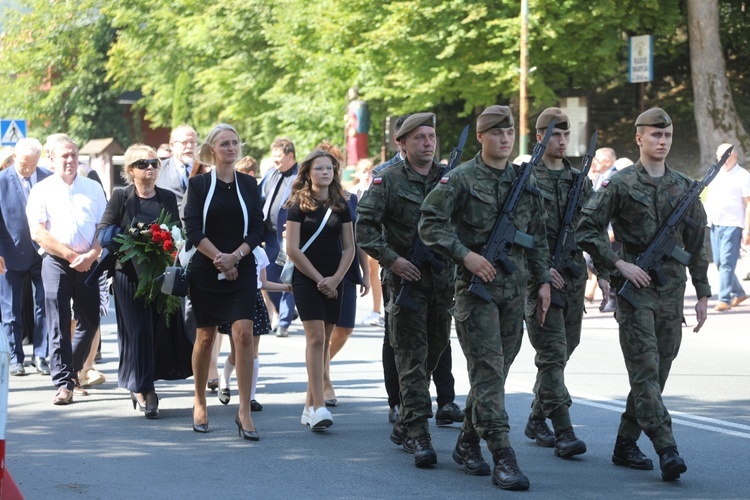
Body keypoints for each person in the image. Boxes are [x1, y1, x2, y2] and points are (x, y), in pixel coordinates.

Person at [419, 105, 552, 490]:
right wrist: (466, 254)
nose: (505, 138)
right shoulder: (460, 179)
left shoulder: (525, 181)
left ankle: (467, 441)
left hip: (515, 293)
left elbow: (538, 237)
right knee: (490, 373)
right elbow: (429, 223)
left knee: (495, 374)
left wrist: (543, 281)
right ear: (481, 137)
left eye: (509, 132)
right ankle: (504, 455)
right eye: (496, 132)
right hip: (475, 294)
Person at [577, 107, 710, 481]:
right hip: (635, 295)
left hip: (672, 296)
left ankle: (624, 443)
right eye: (654, 135)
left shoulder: (685, 186)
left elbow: (698, 241)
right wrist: (618, 265)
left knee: (657, 374)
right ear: (639, 138)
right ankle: (667, 448)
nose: (661, 142)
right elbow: (586, 229)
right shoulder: (618, 184)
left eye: (666, 136)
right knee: (645, 373)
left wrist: (702, 292)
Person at [357, 112, 454, 468]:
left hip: (442, 283)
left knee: (434, 352)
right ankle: (419, 432)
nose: (428, 144)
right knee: (411, 360)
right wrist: (392, 260)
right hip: (405, 283)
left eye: (431, 137)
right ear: (402, 143)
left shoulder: (449, 178)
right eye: (419, 138)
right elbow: (364, 228)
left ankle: (406, 419)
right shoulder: (388, 180)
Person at [520, 107, 597, 458]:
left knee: (566, 350)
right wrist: (538, 272)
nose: (562, 141)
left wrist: (605, 273)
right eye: (555, 135)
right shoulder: (523, 180)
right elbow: (517, 234)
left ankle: (537, 417)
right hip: (537, 281)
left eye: (566, 135)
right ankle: (564, 431)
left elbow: (590, 230)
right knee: (551, 355)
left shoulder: (579, 181)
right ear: (540, 137)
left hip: (573, 277)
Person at [183, 123, 264, 440]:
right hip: (206, 266)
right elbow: (193, 229)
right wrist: (220, 257)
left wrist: (237, 257)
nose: (231, 148)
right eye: (225, 144)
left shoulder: (249, 183)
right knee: (205, 337)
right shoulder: (200, 184)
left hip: (242, 266)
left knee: (243, 334)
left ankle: (243, 409)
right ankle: (200, 400)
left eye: (235, 143)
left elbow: (258, 228)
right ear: (212, 150)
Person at [96, 144, 188, 419]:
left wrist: (167, 239)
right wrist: (131, 238)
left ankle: (139, 380)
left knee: (155, 330)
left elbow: (177, 231)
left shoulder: (167, 197)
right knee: (139, 332)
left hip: (159, 274)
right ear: (131, 170)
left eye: (154, 163)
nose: (149, 168)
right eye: (143, 164)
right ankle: (147, 390)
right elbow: (103, 231)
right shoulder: (121, 197)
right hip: (128, 273)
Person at [26, 136, 106, 405]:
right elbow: (38, 232)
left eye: (74, 154)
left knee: (91, 319)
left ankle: (71, 370)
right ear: (51, 159)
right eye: (64, 156)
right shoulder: (42, 189)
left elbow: (102, 228)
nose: (70, 160)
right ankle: (63, 382)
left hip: (88, 260)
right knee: (58, 321)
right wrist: (73, 256)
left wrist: (92, 255)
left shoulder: (93, 188)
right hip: (56, 261)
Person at [285, 149, 355, 430]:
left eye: (329, 168)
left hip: (334, 279)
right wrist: (319, 280)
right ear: (308, 174)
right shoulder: (297, 205)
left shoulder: (343, 204)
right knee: (314, 338)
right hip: (307, 277)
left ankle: (308, 406)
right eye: (319, 169)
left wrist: (336, 279)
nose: (325, 172)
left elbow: (350, 247)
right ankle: (320, 406)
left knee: (324, 341)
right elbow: (292, 249)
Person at [0, 138, 50, 377]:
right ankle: (16, 357)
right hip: (10, 254)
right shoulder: (1, 181)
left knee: (45, 306)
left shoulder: (48, 178)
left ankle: (40, 355)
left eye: (33, 164)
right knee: (11, 310)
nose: (29, 170)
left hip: (43, 254)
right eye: (24, 164)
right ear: (14, 158)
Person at [218, 245, 290, 411]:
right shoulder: (231, 248)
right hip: (235, 298)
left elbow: (263, 283)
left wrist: (287, 287)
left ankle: (250, 397)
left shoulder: (260, 251)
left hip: (255, 299)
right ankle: (225, 379)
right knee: (237, 352)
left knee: (253, 351)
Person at [259, 138, 298, 337]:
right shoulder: (270, 174)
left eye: (279, 156)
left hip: (290, 235)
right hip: (271, 236)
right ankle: (286, 312)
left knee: (288, 274)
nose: (275, 160)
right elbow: (259, 198)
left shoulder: (300, 177)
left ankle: (283, 321)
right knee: (270, 276)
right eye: (273, 155)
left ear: (290, 155)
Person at [705, 143, 749, 311]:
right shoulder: (716, 174)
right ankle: (738, 292)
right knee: (719, 262)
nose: (723, 160)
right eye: (720, 157)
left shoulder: (743, 175)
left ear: (735, 156)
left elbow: (748, 204)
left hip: (733, 224)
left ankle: (724, 299)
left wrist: (747, 230)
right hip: (716, 222)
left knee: (726, 264)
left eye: (727, 156)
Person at [156, 124, 198, 210]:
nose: (189, 146)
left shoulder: (205, 169)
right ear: (172, 145)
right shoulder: (159, 169)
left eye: (192, 142)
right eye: (184, 142)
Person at [345, 86, 370, 166]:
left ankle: (360, 165)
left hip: (357, 131)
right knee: (351, 148)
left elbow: (361, 118)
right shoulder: (350, 105)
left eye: (351, 92)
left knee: (358, 148)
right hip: (351, 130)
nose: (349, 94)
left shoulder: (361, 104)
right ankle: (352, 164)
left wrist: (356, 129)